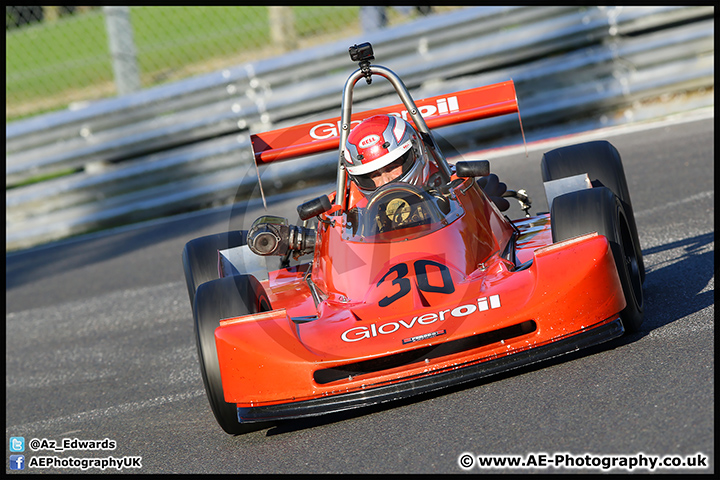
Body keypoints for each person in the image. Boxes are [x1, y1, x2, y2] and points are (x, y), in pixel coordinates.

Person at [343, 114, 510, 211]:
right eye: (375, 175)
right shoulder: (350, 208)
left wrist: (479, 204)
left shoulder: (449, 183)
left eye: (392, 168)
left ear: (415, 153)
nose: (386, 181)